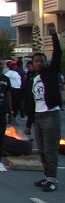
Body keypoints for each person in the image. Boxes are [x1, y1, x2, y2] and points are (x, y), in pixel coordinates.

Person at [24, 22, 62, 192]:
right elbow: (32, 103)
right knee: (41, 150)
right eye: (36, 61)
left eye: (41, 61)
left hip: (50, 115)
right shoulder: (33, 80)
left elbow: (58, 54)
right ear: (32, 64)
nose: (39, 63)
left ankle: (53, 179)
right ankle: (47, 176)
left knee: (50, 148)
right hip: (39, 116)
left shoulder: (51, 73)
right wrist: (28, 124)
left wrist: (53, 34)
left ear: (45, 63)